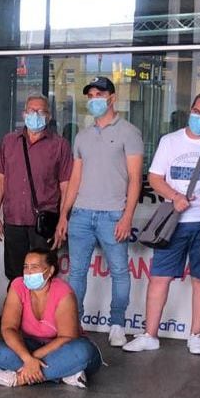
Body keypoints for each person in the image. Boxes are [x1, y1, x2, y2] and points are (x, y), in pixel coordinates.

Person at [124, 92, 200, 355]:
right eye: (197, 111)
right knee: (159, 278)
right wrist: (175, 196)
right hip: (173, 220)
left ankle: (196, 335)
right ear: (190, 110)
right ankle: (150, 334)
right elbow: (155, 177)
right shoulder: (170, 141)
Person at [58, 77, 143, 344]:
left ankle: (117, 323)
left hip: (113, 214)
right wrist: (64, 214)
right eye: (90, 95)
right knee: (76, 273)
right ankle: (74, 322)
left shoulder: (129, 132)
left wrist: (127, 216)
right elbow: (75, 178)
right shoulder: (82, 135)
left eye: (99, 94)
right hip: (81, 213)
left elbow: (135, 178)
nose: (94, 99)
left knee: (119, 271)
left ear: (112, 98)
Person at [0, 248, 100, 388]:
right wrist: (28, 358)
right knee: (1, 353)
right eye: (25, 267)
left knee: (82, 352)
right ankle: (65, 373)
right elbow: (8, 328)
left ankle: (17, 379)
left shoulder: (63, 292)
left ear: (50, 271)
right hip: (31, 345)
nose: (28, 272)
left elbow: (67, 337)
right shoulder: (18, 286)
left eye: (34, 267)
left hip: (63, 348)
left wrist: (33, 358)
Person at [0, 94, 73, 283]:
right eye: (31, 110)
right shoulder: (10, 141)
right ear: (24, 113)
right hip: (14, 219)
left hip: (44, 222)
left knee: (43, 273)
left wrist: (63, 219)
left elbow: (65, 185)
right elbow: (0, 180)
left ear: (49, 116)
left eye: (41, 111)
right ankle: (16, 311)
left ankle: (42, 313)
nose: (35, 114)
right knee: (15, 275)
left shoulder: (60, 145)